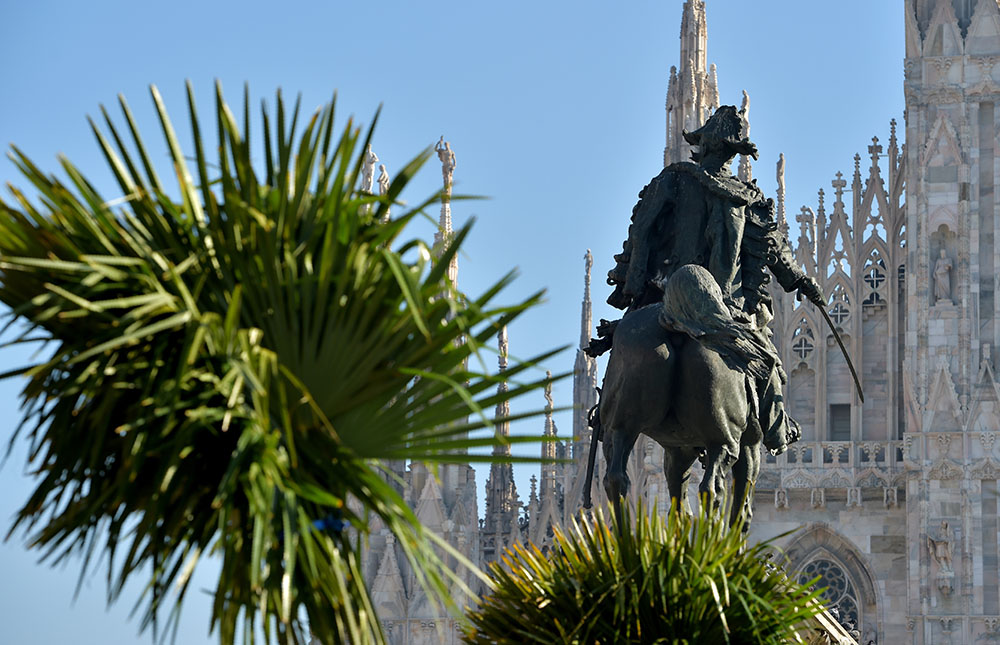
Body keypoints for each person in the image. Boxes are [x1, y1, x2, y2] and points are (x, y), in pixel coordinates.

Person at [591, 105, 824, 454]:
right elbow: (774, 253)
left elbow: (641, 229)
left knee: (626, 344)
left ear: (705, 144)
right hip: (723, 308)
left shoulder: (674, 178)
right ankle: (777, 429)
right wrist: (802, 282)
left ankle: (604, 414)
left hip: (665, 294)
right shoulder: (747, 199)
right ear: (733, 151)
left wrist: (633, 285)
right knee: (767, 362)